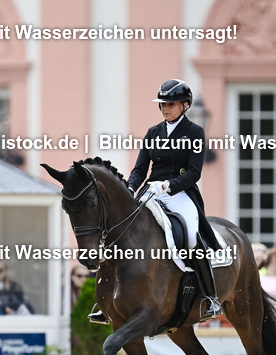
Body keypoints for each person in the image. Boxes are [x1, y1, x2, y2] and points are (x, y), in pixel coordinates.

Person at [94, 78, 221, 323]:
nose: (165, 108)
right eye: (162, 104)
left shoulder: (195, 132)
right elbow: (140, 168)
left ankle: (210, 296)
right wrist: (130, 187)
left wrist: (170, 185)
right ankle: (105, 300)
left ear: (185, 105)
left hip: (180, 193)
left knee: (192, 236)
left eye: (171, 104)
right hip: (150, 190)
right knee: (120, 231)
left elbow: (195, 172)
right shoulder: (153, 132)